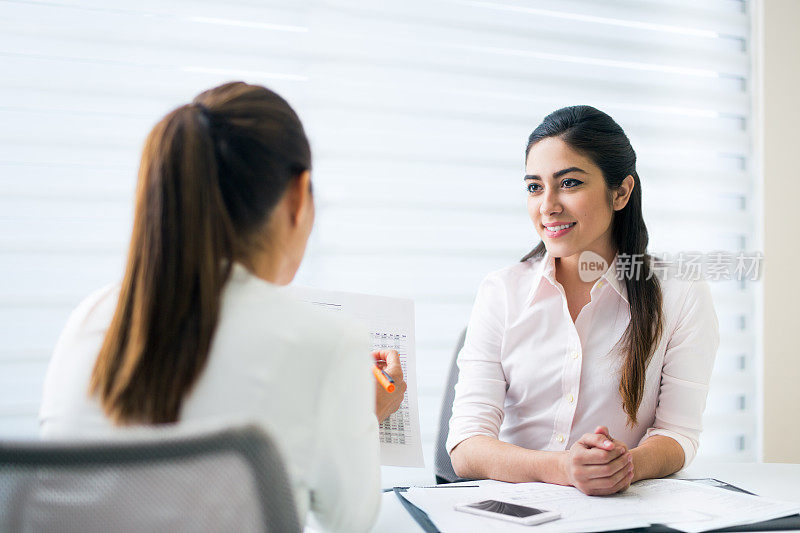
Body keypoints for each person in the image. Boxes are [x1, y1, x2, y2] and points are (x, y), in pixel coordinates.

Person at [38, 81, 406, 532]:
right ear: (297, 196)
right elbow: (349, 522)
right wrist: (364, 414)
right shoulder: (327, 346)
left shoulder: (88, 320)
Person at [446, 105, 719, 496]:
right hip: (515, 511)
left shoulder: (680, 292)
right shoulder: (501, 292)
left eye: (569, 183)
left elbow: (678, 434)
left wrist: (621, 467)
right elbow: (466, 447)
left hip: (621, 509)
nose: (548, 205)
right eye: (534, 187)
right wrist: (564, 468)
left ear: (621, 191)